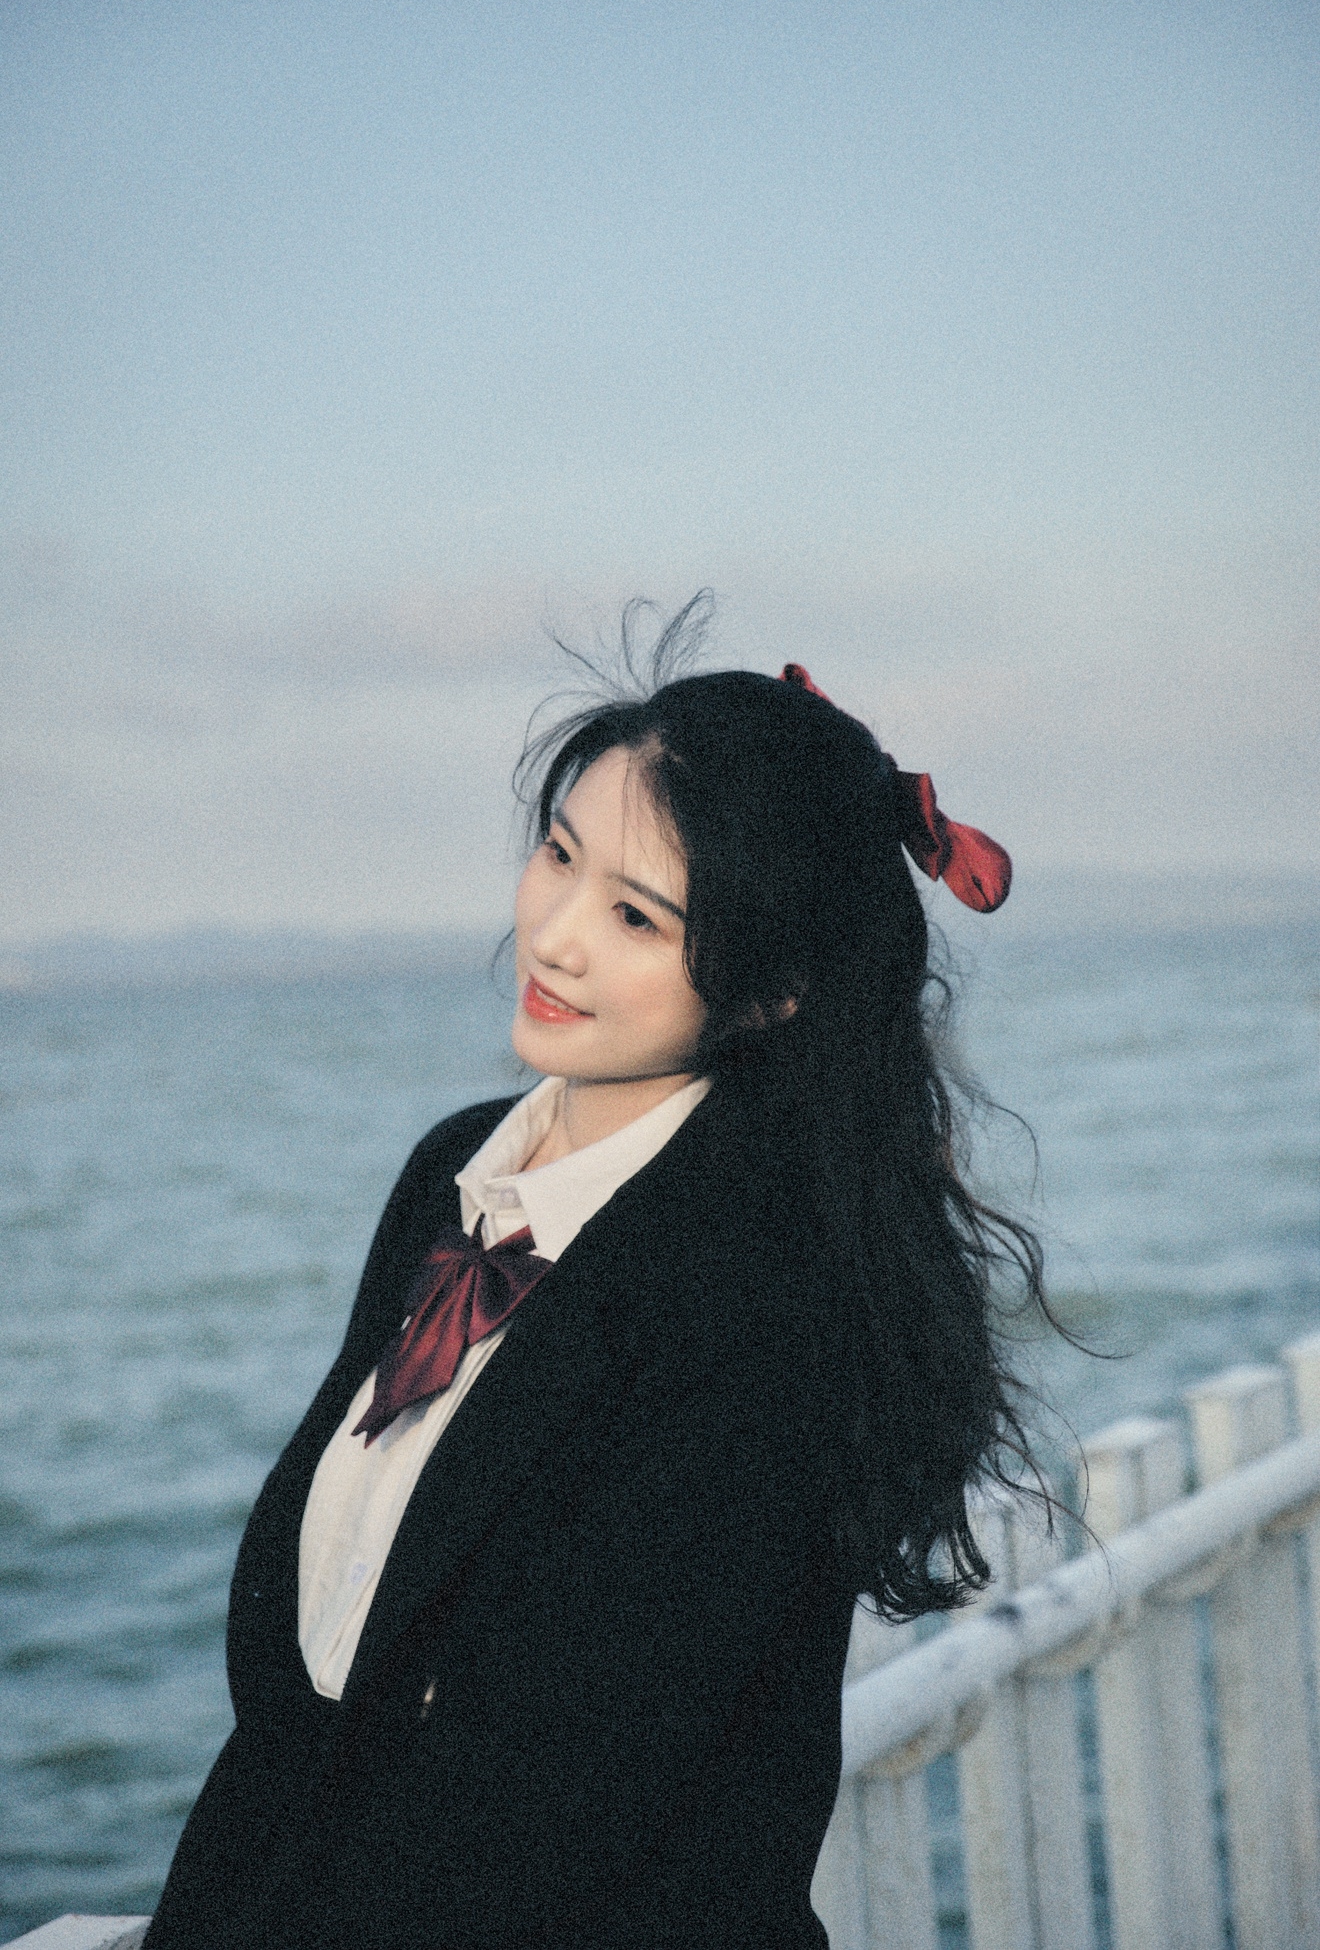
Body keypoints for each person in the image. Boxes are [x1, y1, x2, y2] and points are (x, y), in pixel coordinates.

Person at [143, 601, 1053, 1950]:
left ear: (772, 991)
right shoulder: (456, 1171)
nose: (557, 935)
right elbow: (310, 1683)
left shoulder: (766, 1292)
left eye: (636, 915)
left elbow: (565, 1801)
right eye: (559, 854)